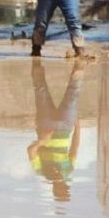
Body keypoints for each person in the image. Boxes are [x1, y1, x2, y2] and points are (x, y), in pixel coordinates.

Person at [27, 59, 83, 202]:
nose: (63, 186)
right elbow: (75, 147)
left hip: (46, 126)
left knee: (40, 90)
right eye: (65, 188)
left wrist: (42, 141)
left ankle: (36, 58)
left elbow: (31, 151)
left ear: (54, 189)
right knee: (73, 94)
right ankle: (79, 64)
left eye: (61, 189)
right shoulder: (68, 170)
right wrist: (77, 125)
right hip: (65, 126)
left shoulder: (42, 171)